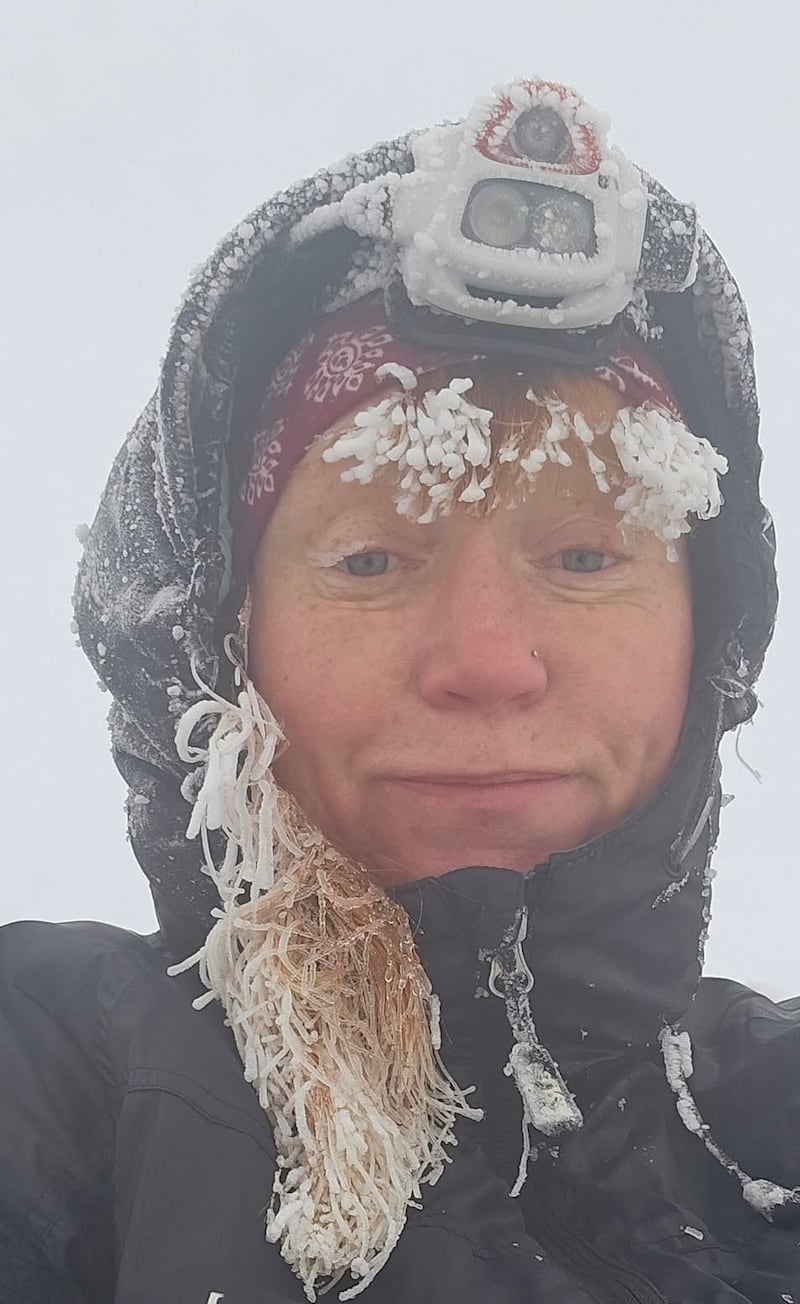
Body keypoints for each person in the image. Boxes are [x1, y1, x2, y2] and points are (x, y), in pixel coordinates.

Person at [0, 75, 795, 1304]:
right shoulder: (47, 1083)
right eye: (368, 559)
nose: (486, 660)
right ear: (207, 642)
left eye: (586, 555)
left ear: (712, 630)